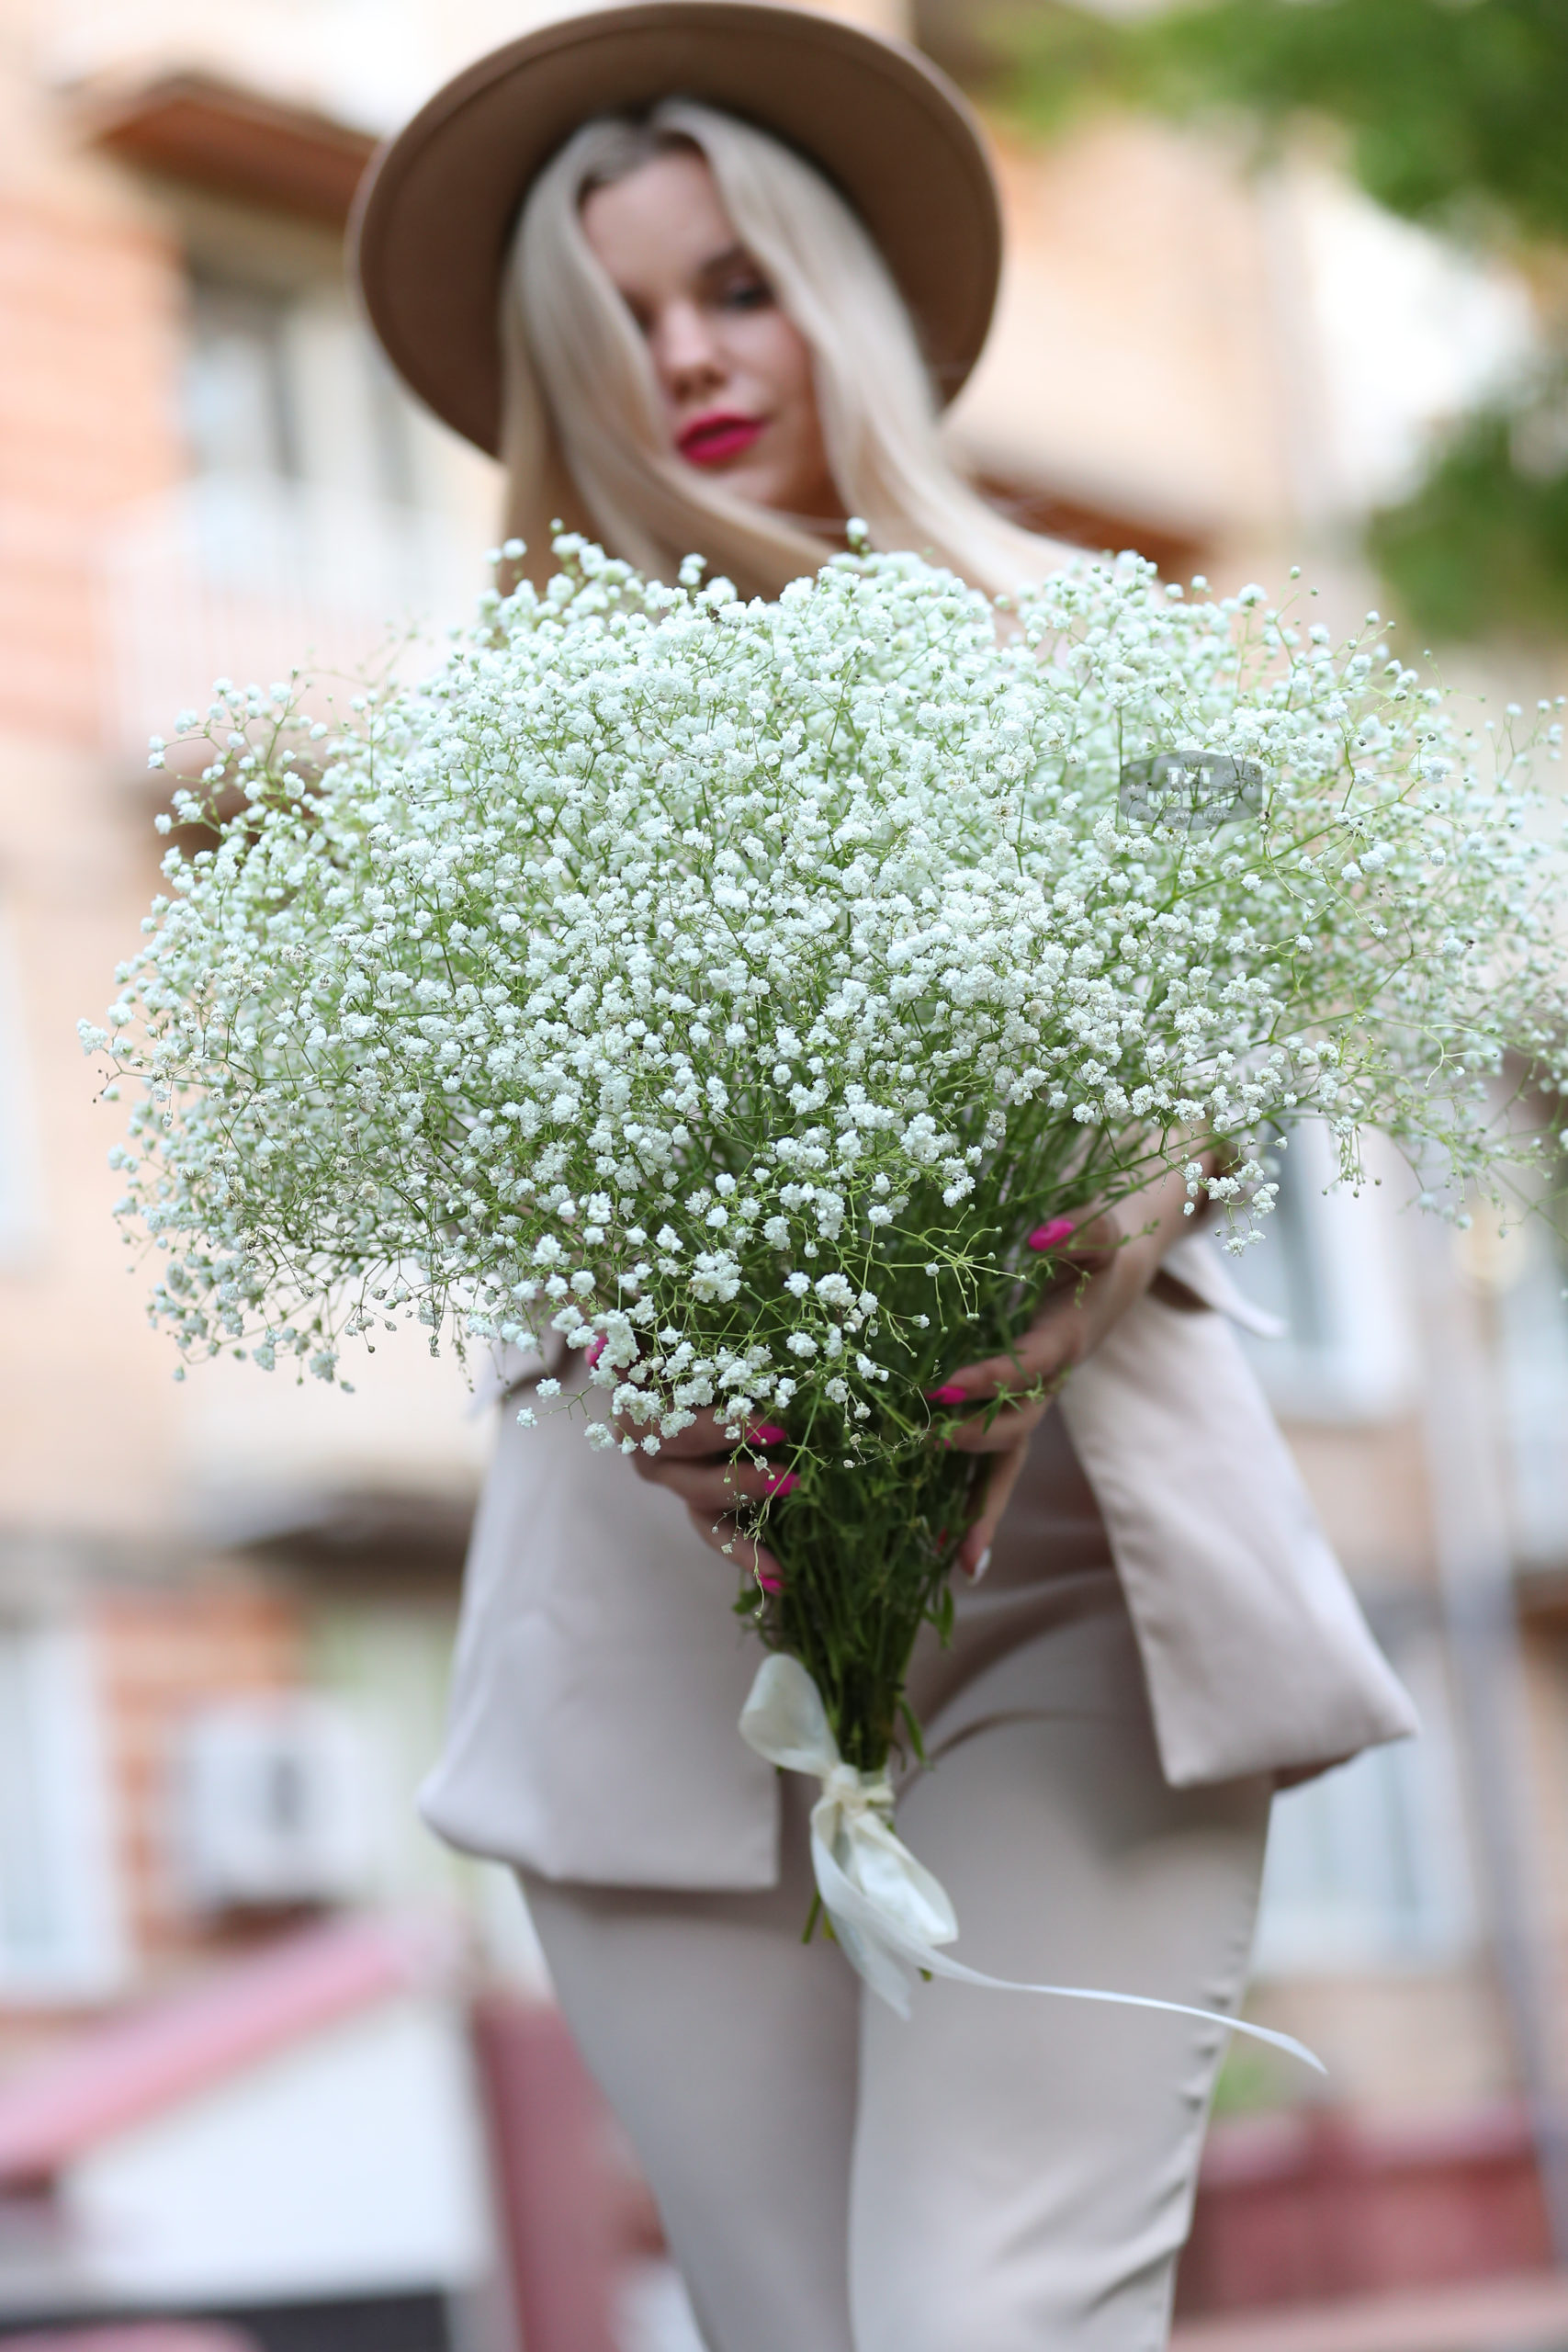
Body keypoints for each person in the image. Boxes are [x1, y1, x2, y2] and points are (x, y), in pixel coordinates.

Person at [353, 10, 1417, 2347]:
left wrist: (1127, 1196)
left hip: (1073, 1592)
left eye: (734, 286)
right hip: (646, 1635)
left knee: (978, 2315)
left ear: (833, 292)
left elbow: (1275, 951)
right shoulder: (475, 761)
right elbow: (461, 1157)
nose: (684, 357)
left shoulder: (1100, 659)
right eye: (617, 318)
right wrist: (643, 1347)